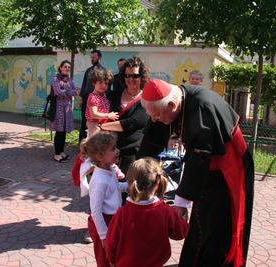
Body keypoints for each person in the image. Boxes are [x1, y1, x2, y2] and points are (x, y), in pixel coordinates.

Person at [138, 79, 255, 267]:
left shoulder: (202, 107)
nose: (155, 120)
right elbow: (150, 142)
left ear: (172, 105)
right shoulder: (167, 107)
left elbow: (199, 157)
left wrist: (181, 202)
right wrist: (138, 175)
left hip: (226, 172)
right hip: (204, 170)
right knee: (201, 223)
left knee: (217, 228)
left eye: (157, 115)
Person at [105, 157, 189, 267]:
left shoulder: (122, 213)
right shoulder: (165, 211)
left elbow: (110, 243)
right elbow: (180, 233)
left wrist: (112, 260)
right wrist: (183, 220)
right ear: (157, 182)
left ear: (130, 183)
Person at [99, 56, 150, 174]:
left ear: (142, 77)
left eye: (135, 76)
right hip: (108, 151)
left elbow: (130, 123)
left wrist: (103, 126)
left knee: (126, 188)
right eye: (127, 75)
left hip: (132, 154)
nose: (130, 79)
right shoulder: (112, 96)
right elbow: (97, 116)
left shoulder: (146, 100)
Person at [86, 132, 128, 267]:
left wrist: (129, 186)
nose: (118, 151)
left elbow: (115, 187)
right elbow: (96, 212)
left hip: (113, 219)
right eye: (113, 149)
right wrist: (104, 236)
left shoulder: (109, 170)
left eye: (116, 147)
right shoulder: (99, 180)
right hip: (103, 222)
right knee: (104, 258)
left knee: (114, 255)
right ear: (99, 156)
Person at [49, 60, 77, 163]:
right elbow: (58, 92)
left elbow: (75, 92)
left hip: (67, 109)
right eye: (65, 67)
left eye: (68, 67)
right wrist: (69, 92)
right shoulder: (55, 79)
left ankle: (61, 151)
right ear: (60, 68)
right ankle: (56, 154)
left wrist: (66, 92)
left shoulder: (70, 79)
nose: (67, 69)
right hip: (58, 108)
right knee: (59, 131)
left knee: (64, 131)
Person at [85, 68, 119, 137]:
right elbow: (93, 114)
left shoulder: (103, 95)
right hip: (94, 125)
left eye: (106, 83)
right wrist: (108, 115)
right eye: (100, 82)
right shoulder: (93, 97)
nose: (103, 85)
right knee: (97, 144)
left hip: (101, 125)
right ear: (94, 83)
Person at [79, 49, 104, 142]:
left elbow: (106, 88)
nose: (92, 59)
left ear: (99, 58)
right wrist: (81, 99)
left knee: (96, 122)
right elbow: (84, 84)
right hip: (86, 100)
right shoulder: (88, 70)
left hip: (97, 101)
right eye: (91, 57)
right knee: (84, 122)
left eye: (94, 57)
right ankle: (82, 143)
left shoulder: (103, 71)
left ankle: (94, 143)